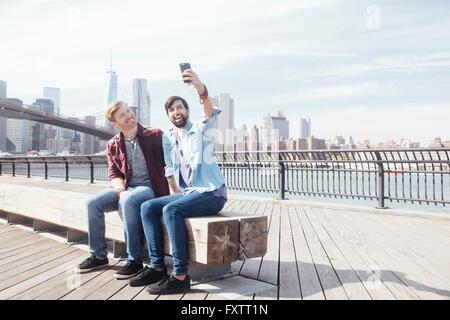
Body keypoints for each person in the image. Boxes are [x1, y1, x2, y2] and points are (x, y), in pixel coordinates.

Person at [129, 68, 227, 294]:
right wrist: (174, 192)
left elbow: (210, 113)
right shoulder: (169, 138)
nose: (176, 111)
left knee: (172, 210)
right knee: (147, 207)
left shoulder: (201, 130)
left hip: (212, 193)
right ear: (168, 115)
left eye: (180, 107)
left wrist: (199, 87)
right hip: (189, 194)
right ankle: (157, 267)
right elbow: (170, 169)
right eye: (171, 109)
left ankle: (181, 275)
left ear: (187, 111)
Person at [75, 101, 169, 279]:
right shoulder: (113, 144)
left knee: (128, 201)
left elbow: (172, 162)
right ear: (115, 123)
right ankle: (98, 255)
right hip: (127, 188)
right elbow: (115, 173)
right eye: (122, 115)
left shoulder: (155, 135)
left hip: (150, 188)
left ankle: (134, 260)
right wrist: (121, 191)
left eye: (128, 111)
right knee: (92, 203)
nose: (129, 115)